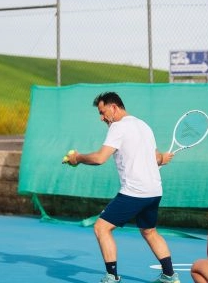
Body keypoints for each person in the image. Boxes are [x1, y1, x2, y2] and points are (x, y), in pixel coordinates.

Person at [65, 92, 180, 283]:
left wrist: (78, 158)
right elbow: (156, 157)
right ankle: (169, 276)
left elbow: (100, 158)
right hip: (154, 191)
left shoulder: (117, 127)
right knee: (149, 231)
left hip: (135, 192)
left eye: (103, 113)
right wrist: (162, 158)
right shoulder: (144, 126)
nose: (102, 118)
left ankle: (112, 277)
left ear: (114, 108)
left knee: (101, 228)